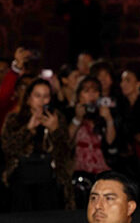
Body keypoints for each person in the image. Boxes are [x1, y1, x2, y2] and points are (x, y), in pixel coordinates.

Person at [1, 78, 74, 210]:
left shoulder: (57, 118)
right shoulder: (14, 119)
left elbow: (66, 152)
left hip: (50, 180)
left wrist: (55, 131)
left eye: (46, 96)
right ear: (29, 98)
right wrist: (28, 130)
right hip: (20, 180)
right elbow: (7, 149)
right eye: (37, 96)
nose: (42, 101)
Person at [68, 76, 116, 208]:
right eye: (86, 91)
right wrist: (77, 118)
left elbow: (110, 141)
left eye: (95, 91)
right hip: (78, 170)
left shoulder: (102, 116)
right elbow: (66, 140)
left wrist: (109, 119)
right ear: (79, 95)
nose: (91, 95)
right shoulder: (70, 113)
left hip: (100, 170)